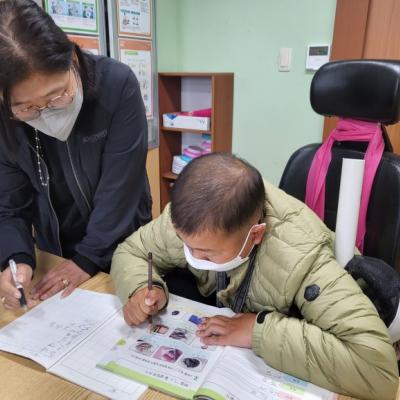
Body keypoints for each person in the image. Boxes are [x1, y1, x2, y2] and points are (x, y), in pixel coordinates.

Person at [111, 153, 399, 400]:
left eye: (207, 253)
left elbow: (378, 370)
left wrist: (258, 332)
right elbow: (132, 251)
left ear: (255, 235)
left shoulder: (303, 256)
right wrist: (140, 287)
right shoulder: (190, 219)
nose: (192, 256)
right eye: (185, 244)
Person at [0, 0, 152, 310]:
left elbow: (120, 191)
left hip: (121, 243)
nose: (45, 112)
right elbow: (9, 203)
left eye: (57, 95)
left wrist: (87, 258)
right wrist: (16, 258)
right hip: (55, 249)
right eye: (27, 107)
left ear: (71, 57)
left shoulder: (116, 84)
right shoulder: (5, 118)